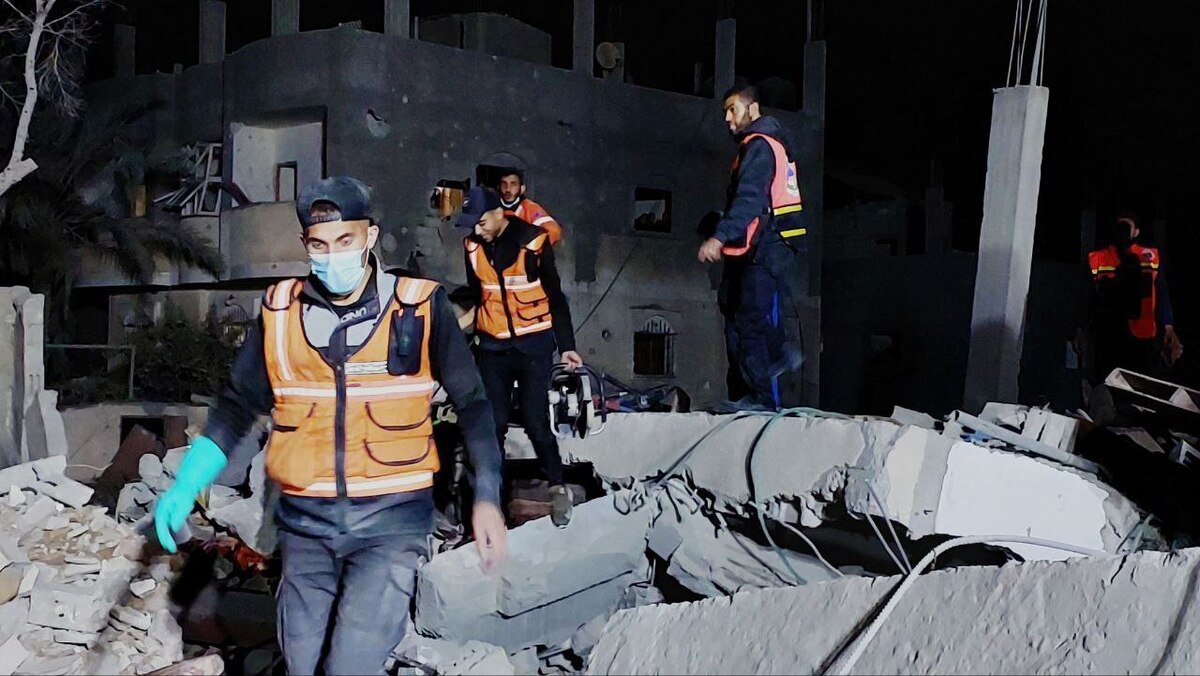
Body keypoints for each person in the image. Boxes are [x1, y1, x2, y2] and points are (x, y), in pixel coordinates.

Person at [153, 176, 507, 675]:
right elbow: (236, 406)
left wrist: (487, 495)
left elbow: (473, 403)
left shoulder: (421, 306)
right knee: (301, 662)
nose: (332, 255)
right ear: (305, 244)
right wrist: (187, 482)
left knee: (349, 665)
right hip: (306, 527)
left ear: (370, 235)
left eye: (345, 240)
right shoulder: (279, 312)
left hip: (390, 525)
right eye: (318, 245)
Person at [458, 186, 581, 527]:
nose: (477, 230)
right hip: (492, 347)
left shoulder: (534, 242)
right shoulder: (472, 246)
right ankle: (491, 502)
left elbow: (555, 298)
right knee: (492, 424)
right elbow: (478, 297)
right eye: (472, 224)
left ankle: (557, 486)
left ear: (499, 213)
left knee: (535, 420)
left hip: (533, 346)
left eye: (482, 222)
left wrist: (567, 345)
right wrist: (453, 331)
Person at [697, 81, 806, 409]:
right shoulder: (762, 145)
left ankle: (760, 399)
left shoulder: (760, 145)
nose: (727, 119)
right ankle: (756, 381)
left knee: (748, 323)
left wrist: (719, 237)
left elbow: (750, 201)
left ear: (753, 108)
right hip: (764, 244)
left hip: (767, 245)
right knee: (735, 311)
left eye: (733, 109)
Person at [1087, 211, 1184, 381]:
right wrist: (1082, 328)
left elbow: (1161, 291)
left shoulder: (1149, 255)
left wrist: (1168, 327)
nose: (1122, 231)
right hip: (1110, 333)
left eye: (1127, 227)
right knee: (1110, 380)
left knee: (1142, 381)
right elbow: (1087, 296)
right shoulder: (1099, 257)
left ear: (1136, 231)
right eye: (1119, 226)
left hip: (1144, 334)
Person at [496, 168, 563, 246]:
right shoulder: (491, 206)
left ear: (522, 188)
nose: (508, 189)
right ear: (498, 187)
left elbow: (554, 230)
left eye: (513, 184)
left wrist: (531, 246)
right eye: (504, 184)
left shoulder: (531, 209)